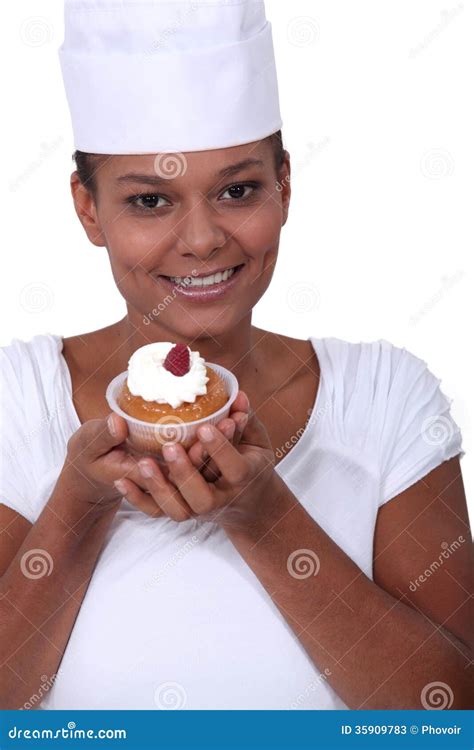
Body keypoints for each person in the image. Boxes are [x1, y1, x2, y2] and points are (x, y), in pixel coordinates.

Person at [0, 0, 471, 711]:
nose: (201, 240)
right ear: (89, 209)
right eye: (151, 202)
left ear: (284, 185)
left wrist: (265, 517)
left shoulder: (384, 397)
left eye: (237, 190)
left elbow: (451, 711)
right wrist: (78, 504)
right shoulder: (15, 401)